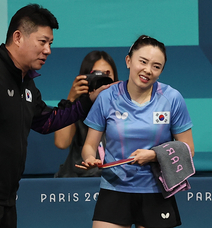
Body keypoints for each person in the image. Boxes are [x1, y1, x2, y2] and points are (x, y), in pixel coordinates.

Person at [0, 4, 110, 228]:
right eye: (42, 42)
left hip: (7, 200)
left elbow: (47, 122)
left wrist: (89, 100)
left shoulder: (27, 84)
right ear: (18, 37)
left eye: (50, 43)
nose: (48, 50)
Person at [77, 35, 194, 228]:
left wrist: (154, 155)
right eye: (143, 61)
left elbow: (188, 148)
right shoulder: (107, 97)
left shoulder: (172, 98)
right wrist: (91, 158)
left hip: (156, 190)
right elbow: (89, 145)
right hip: (114, 188)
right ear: (129, 61)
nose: (148, 70)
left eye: (156, 66)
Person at [54, 50, 119, 177]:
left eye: (107, 74)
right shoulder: (77, 108)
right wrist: (71, 100)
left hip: (113, 180)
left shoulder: (123, 107)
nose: (102, 80)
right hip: (78, 179)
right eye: (96, 74)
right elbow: (61, 143)